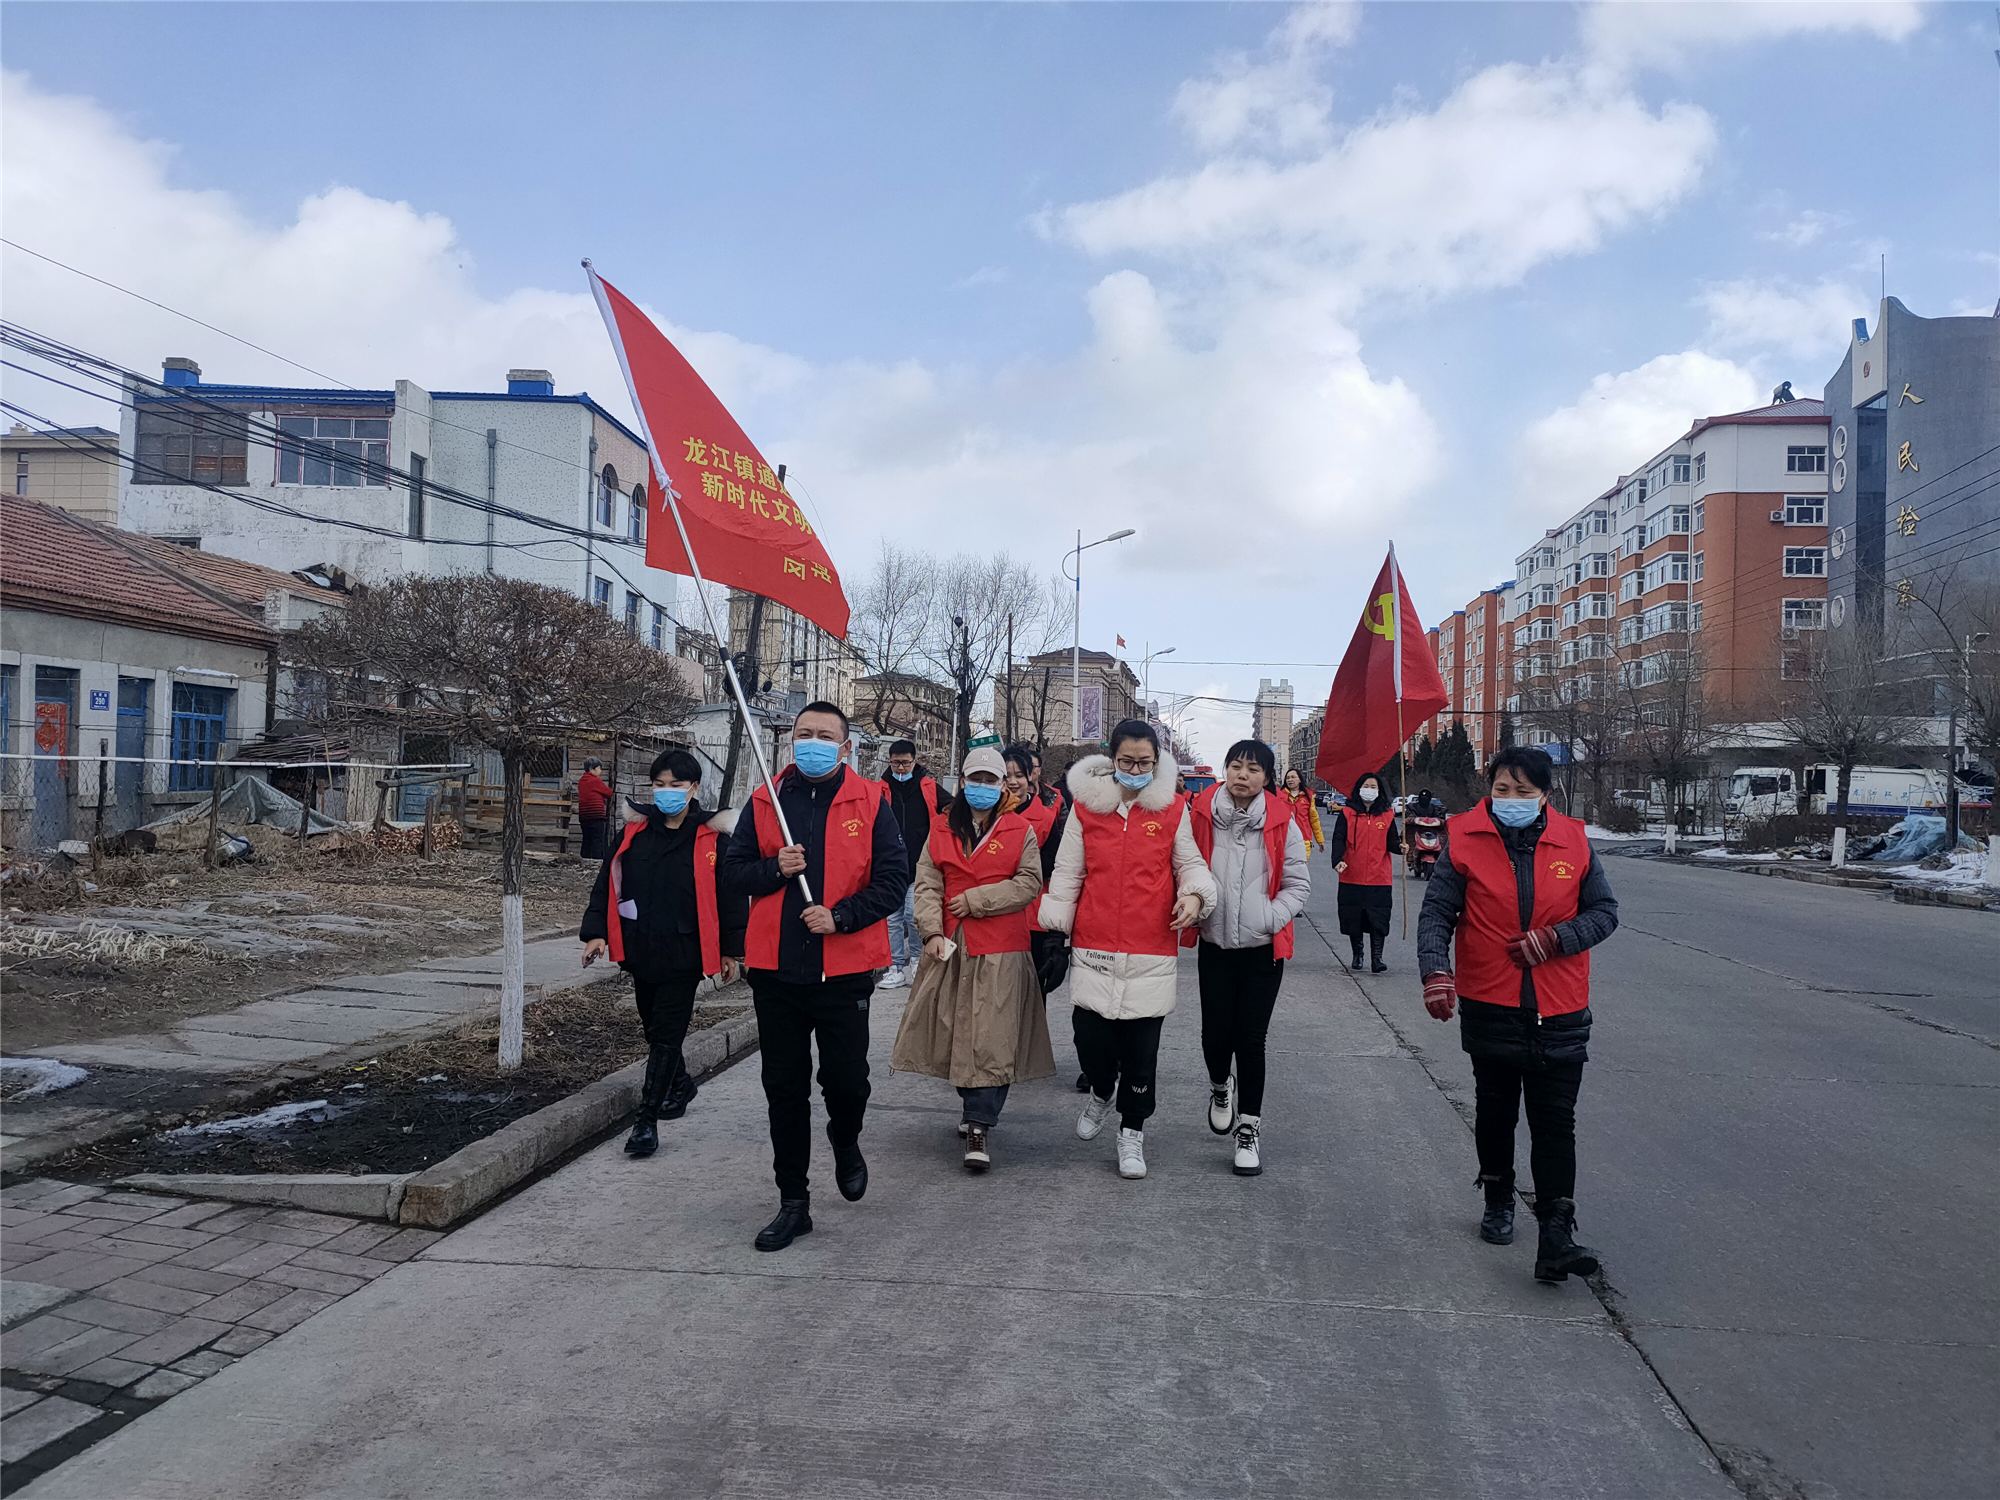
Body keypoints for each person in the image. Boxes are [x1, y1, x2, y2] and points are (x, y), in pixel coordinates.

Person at [1417, 746, 1620, 1284]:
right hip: (1491, 1000)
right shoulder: (1464, 838)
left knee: (1555, 1121)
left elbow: (1604, 913)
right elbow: (1437, 912)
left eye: (1523, 792)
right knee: (1497, 1109)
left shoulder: (1574, 841)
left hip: (1561, 1005)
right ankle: (1498, 1197)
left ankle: (1556, 1232)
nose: (1510, 799)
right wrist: (1435, 971)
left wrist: (1555, 939)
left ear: (1545, 795)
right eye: (1501, 789)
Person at [720, 702, 910, 1252]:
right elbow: (733, 874)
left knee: (847, 1082)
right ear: (791, 741)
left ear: (845, 747)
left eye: (826, 736)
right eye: (805, 733)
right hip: (777, 971)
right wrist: (774, 869)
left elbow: (892, 879)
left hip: (843, 970)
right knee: (784, 1088)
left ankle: (845, 1139)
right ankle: (793, 1202)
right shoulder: (766, 800)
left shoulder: (870, 801)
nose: (813, 743)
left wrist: (841, 917)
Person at [1038, 719, 1216, 1181]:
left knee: (1141, 1051)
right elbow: (1068, 871)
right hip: (1094, 943)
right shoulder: (1086, 809)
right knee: (1089, 1040)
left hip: (1151, 946)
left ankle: (1132, 1132)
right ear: (1111, 759)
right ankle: (1101, 1091)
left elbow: (1191, 865)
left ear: (1157, 762)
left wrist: (1195, 897)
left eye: (1144, 763)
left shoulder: (1172, 810)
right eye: (1127, 761)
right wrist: (1055, 931)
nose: (1136, 770)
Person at [890, 745, 1054, 1172]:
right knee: (956, 1031)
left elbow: (1028, 883)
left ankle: (979, 1121)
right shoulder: (942, 827)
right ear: (962, 781)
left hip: (1002, 947)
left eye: (991, 780)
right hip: (950, 945)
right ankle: (972, 1105)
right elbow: (927, 882)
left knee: (994, 1036)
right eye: (975, 779)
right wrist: (930, 930)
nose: (982, 786)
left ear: (1003, 785)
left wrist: (977, 900)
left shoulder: (1019, 829)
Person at [579, 749, 745, 1157]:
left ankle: (645, 1122)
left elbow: (731, 897)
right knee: (654, 1029)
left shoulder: (712, 836)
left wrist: (732, 951)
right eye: (659, 784)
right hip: (640, 947)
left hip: (686, 952)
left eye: (676, 784)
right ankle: (681, 1084)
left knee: (667, 1034)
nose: (666, 791)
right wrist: (596, 933)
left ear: (694, 788)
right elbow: (607, 882)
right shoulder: (635, 832)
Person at [1185, 740, 1310, 1176]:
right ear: (1226, 770)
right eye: (1236, 766)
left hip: (1262, 951)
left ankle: (1248, 1129)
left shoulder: (1282, 820)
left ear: (1267, 778)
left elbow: (1298, 884)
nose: (1243, 775)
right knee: (1215, 1036)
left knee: (1252, 1040)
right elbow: (1182, 868)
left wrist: (1269, 918)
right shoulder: (1200, 814)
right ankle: (1221, 1087)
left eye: (1253, 769)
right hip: (1215, 945)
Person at [877, 739, 951, 993]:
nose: (900, 768)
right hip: (889, 865)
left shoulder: (927, 786)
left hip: (920, 864)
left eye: (905, 763)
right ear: (889, 761)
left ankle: (919, 961)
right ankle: (895, 967)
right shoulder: (881, 789)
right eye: (896, 763)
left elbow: (951, 806)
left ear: (914, 760)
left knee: (913, 915)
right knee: (892, 919)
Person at [1327, 770, 1401, 973]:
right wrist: (1337, 860)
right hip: (1352, 875)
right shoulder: (1347, 813)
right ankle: (1357, 954)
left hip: (1379, 878)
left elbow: (1392, 842)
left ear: (1379, 791)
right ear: (1359, 789)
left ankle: (1377, 958)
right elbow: (1338, 838)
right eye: (1366, 786)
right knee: (1354, 918)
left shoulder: (1387, 815)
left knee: (1379, 918)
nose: (1369, 790)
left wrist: (1401, 847)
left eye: (1373, 787)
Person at [1277, 767, 1326, 852]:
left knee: (1302, 861)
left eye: (1293, 777)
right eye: (1287, 778)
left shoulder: (1308, 797)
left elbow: (1314, 820)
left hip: (1304, 840)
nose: (1290, 780)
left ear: (1299, 779)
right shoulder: (1280, 796)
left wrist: (1320, 840)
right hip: (1284, 840)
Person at [576, 757, 613, 860]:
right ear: (592, 769)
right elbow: (609, 792)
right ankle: (597, 861)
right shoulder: (595, 781)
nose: (600, 771)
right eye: (599, 768)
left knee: (587, 839)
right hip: (596, 815)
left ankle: (584, 859)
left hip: (584, 816)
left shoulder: (581, 781)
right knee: (597, 840)